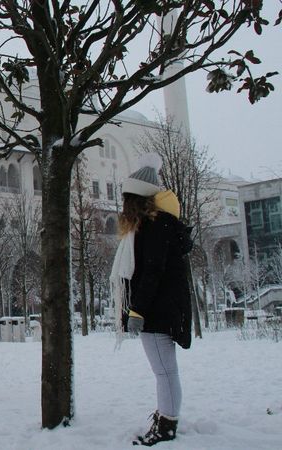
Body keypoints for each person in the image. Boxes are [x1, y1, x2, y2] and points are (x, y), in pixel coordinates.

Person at [110, 153, 192, 446]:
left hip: (158, 309)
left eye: (126, 200)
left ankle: (167, 425)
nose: (123, 207)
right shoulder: (158, 224)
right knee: (165, 370)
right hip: (161, 307)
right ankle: (166, 416)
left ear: (137, 199)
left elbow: (152, 271)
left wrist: (137, 310)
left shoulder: (155, 226)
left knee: (164, 371)